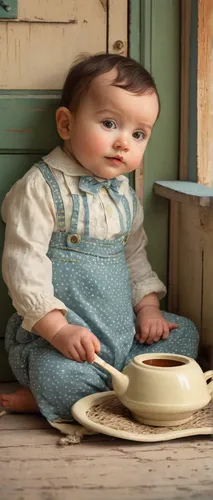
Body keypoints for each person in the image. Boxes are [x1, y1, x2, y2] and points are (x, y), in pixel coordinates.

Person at [0, 53, 198, 422]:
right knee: (56, 373)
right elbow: (22, 265)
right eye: (109, 123)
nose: (124, 142)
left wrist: (149, 309)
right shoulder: (40, 188)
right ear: (65, 124)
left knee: (184, 335)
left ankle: (118, 388)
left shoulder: (123, 195)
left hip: (123, 337)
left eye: (138, 134)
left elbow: (135, 256)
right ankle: (53, 394)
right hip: (64, 343)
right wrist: (58, 330)